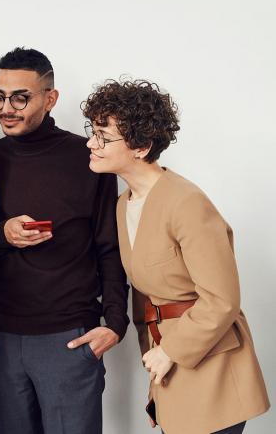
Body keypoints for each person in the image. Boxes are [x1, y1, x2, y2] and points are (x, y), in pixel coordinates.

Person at [83, 78, 269, 433]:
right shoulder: (124, 204)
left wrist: (170, 352)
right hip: (168, 360)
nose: (92, 143)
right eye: (93, 132)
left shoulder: (187, 203)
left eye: (103, 136)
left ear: (140, 147)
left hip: (210, 363)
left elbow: (222, 300)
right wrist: (153, 348)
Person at [0, 47, 129, 434]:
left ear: (50, 98)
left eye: (20, 97)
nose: (6, 108)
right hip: (0, 336)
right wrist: (2, 235)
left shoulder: (88, 157)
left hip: (69, 336)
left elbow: (109, 246)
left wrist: (115, 321)